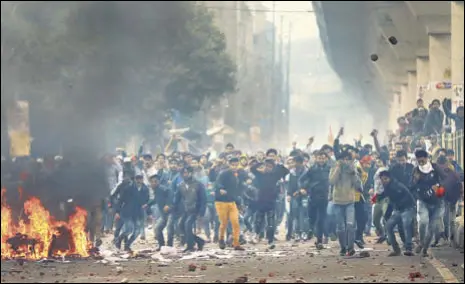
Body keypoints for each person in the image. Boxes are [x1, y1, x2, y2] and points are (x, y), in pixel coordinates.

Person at [411, 149, 445, 257]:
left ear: (427, 158)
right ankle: (421, 242)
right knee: (423, 222)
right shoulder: (416, 170)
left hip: (437, 202)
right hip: (423, 201)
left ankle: (425, 249)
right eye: (418, 161)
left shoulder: (435, 167)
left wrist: (439, 186)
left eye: (422, 161)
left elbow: (445, 178)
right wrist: (415, 181)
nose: (421, 163)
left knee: (432, 227)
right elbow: (411, 186)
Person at [251, 158, 289, 249]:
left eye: (270, 166)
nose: (268, 168)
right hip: (261, 200)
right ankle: (256, 235)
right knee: (258, 220)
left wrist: (278, 165)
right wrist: (260, 164)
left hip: (271, 200)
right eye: (266, 166)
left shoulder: (275, 175)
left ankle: (270, 240)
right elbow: (252, 169)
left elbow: (286, 171)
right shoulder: (260, 174)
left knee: (271, 222)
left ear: (273, 167)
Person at [376, 171, 416, 256]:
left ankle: (408, 247)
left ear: (390, 178)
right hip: (398, 209)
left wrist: (394, 208)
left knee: (406, 224)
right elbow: (388, 199)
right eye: (382, 179)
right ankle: (396, 249)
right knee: (388, 226)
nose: (384, 181)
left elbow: (407, 197)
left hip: (408, 208)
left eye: (385, 179)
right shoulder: (386, 187)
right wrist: (378, 198)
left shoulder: (396, 186)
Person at [329, 150, 361, 256]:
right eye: (343, 159)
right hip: (337, 201)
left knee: (350, 225)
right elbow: (332, 181)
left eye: (347, 159)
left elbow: (358, 185)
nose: (345, 161)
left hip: (350, 201)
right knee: (340, 227)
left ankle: (350, 248)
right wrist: (338, 168)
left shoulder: (353, 169)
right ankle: (343, 248)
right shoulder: (334, 168)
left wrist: (353, 173)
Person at [215, 157, 247, 250]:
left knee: (235, 222)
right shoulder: (224, 173)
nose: (234, 167)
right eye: (232, 165)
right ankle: (221, 239)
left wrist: (239, 203)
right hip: (221, 202)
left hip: (232, 202)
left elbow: (236, 191)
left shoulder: (237, 175)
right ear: (229, 165)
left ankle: (236, 244)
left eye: (236, 165)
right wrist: (221, 188)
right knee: (224, 223)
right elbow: (218, 183)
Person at [300, 151, 331, 249]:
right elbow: (302, 179)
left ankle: (319, 240)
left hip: (325, 197)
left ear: (326, 158)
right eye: (319, 158)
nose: (321, 160)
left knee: (321, 219)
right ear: (316, 159)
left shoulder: (330, 169)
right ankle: (311, 231)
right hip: (313, 196)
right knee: (312, 218)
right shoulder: (312, 169)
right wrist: (304, 188)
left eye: (323, 158)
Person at [113, 173, 150, 252]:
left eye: (140, 179)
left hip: (138, 212)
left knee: (137, 231)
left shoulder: (145, 189)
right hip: (127, 211)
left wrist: (149, 213)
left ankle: (127, 245)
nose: (139, 180)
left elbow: (146, 202)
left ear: (142, 179)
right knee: (129, 229)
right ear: (135, 179)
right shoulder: (128, 188)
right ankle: (119, 240)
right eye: (137, 179)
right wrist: (117, 212)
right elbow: (121, 200)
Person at [174, 166, 207, 252]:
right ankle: (199, 241)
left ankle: (190, 246)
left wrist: (201, 213)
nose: (184, 175)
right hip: (186, 209)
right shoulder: (180, 185)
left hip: (195, 209)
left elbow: (203, 199)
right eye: (183, 173)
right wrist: (172, 207)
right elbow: (176, 199)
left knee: (188, 225)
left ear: (190, 173)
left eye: (186, 173)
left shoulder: (198, 184)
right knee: (181, 225)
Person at [148, 174, 174, 251]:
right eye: (152, 182)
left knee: (169, 229)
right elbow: (156, 199)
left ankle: (169, 246)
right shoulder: (156, 190)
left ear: (158, 182)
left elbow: (171, 194)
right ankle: (161, 246)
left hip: (171, 213)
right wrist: (147, 204)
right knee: (157, 228)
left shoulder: (163, 188)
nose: (153, 183)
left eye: (155, 181)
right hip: (163, 214)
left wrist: (168, 204)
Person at [286, 156, 308, 242]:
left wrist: (301, 190)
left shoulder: (307, 172)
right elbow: (290, 185)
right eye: (295, 162)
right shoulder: (292, 172)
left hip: (304, 196)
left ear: (301, 163)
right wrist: (288, 194)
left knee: (303, 214)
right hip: (294, 196)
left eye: (297, 162)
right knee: (295, 214)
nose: (295, 164)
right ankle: (297, 233)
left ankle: (304, 232)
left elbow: (308, 183)